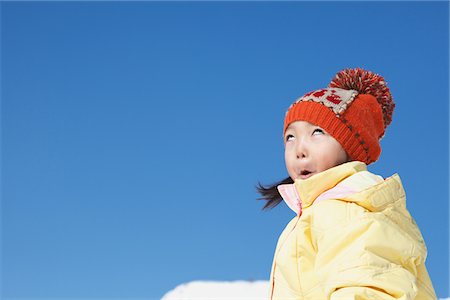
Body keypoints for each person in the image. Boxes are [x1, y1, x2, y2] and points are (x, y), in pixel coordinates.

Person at [257, 68, 437, 299]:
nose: (299, 150)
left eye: (318, 132)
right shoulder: (318, 213)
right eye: (290, 137)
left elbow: (366, 286)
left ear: (348, 146)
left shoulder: (349, 209)